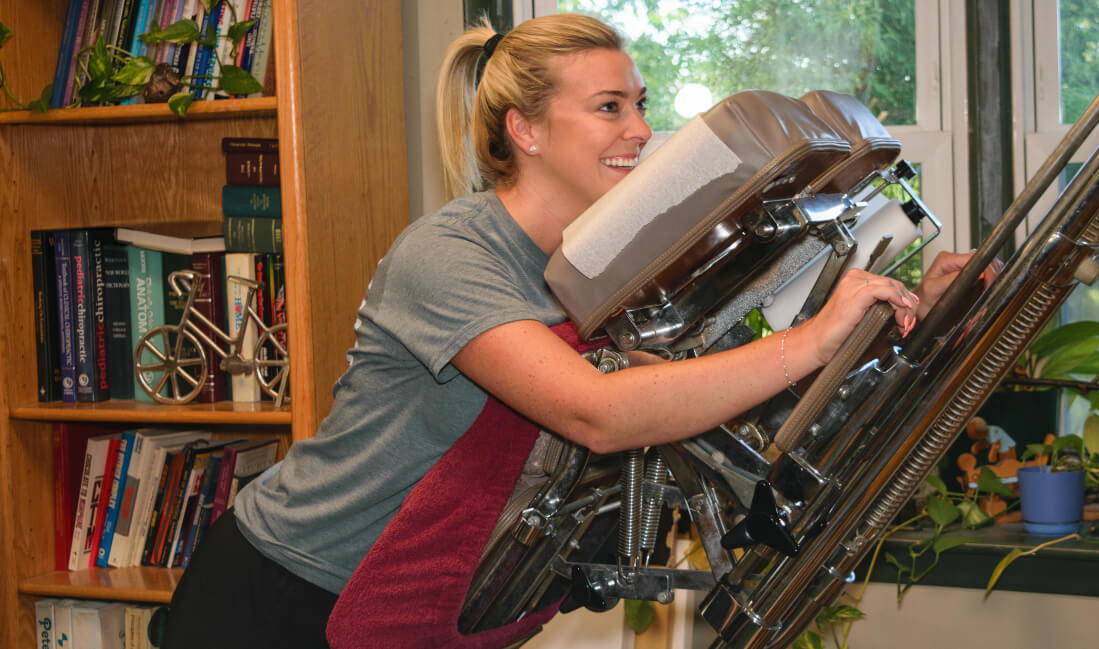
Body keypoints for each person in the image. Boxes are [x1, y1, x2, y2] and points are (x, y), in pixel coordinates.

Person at [162, 13, 986, 649]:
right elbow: (598, 410)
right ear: (524, 130)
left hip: (429, 602)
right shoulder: (449, 254)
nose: (637, 129)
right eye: (608, 108)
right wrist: (807, 343)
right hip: (284, 591)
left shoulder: (620, 263)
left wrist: (899, 325)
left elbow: (712, 395)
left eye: (640, 106)